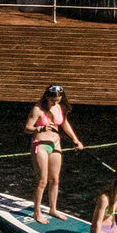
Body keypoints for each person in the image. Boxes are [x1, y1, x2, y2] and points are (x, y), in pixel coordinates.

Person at [24, 84, 83, 222]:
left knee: (55, 179)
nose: (54, 103)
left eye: (57, 100)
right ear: (46, 97)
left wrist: (76, 140)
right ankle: (37, 212)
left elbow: (65, 124)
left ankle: (53, 209)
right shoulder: (37, 109)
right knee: (42, 180)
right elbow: (27, 128)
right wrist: (40, 128)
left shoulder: (60, 107)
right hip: (41, 145)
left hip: (56, 144)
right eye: (52, 100)